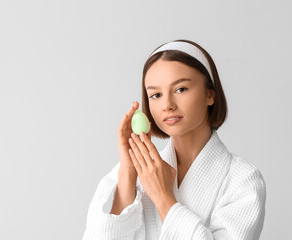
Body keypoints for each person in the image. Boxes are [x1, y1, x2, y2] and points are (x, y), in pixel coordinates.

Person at [82, 39, 266, 239]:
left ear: (210, 94)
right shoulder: (127, 174)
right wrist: (127, 174)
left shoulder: (243, 180)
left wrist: (163, 198)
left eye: (181, 89)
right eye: (156, 95)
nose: (167, 105)